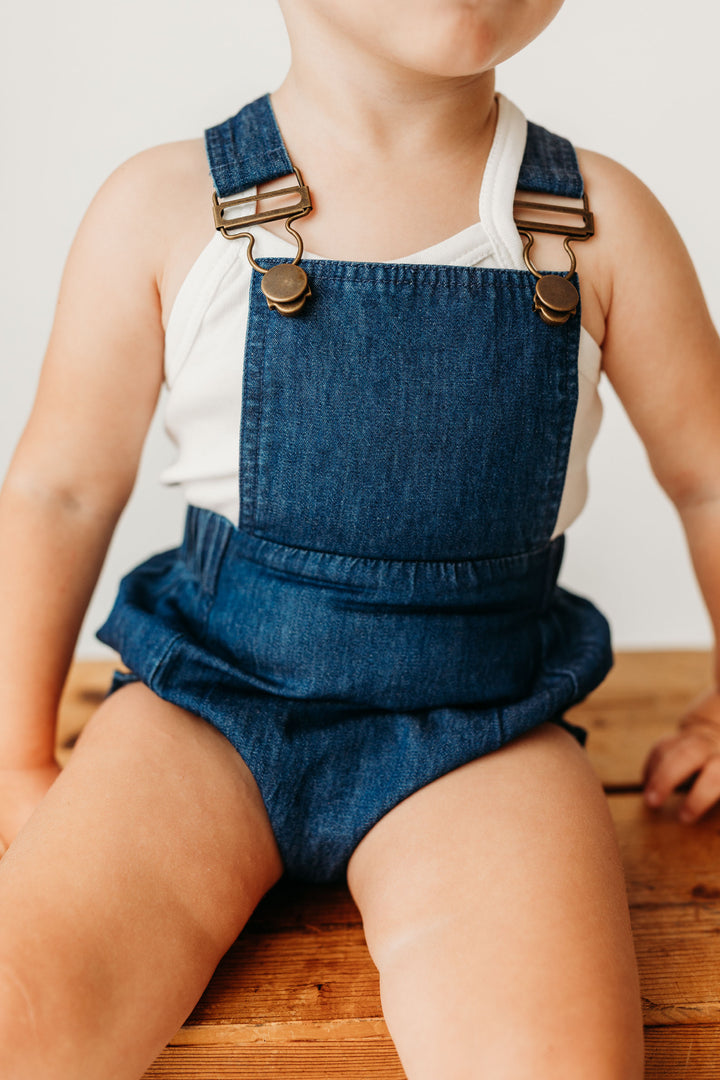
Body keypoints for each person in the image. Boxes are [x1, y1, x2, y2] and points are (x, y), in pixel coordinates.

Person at [1, 0, 719, 1076]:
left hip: (481, 725)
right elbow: (56, 492)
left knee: (560, 1059)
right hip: (204, 708)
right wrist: (16, 757)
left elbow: (709, 475)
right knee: (26, 1006)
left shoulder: (597, 222)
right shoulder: (160, 208)